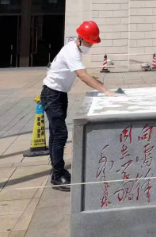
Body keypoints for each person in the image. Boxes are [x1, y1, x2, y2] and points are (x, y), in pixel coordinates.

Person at [40, 20, 117, 190]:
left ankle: (57, 169)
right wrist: (104, 90)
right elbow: (82, 75)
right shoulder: (72, 51)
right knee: (59, 134)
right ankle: (58, 174)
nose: (91, 45)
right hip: (52, 94)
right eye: (90, 41)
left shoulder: (74, 49)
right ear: (81, 39)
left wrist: (100, 84)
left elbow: (85, 74)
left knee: (55, 133)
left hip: (58, 94)